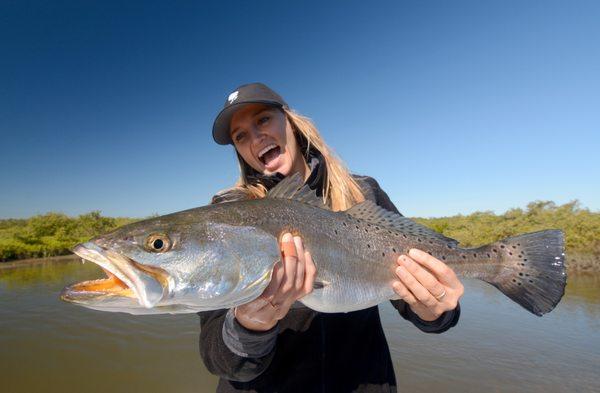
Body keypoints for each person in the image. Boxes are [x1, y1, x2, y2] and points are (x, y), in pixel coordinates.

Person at [198, 83, 464, 393]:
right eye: (240, 136)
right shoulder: (226, 214)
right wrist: (249, 327)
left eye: (263, 120)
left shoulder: (363, 191)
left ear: (291, 122)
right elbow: (218, 358)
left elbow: (421, 307)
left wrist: (436, 311)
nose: (255, 138)